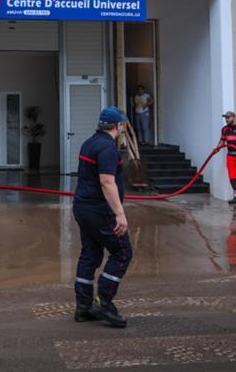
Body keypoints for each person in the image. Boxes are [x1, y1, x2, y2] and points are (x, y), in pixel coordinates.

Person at [72, 106, 133, 328]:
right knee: (122, 252)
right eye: (123, 125)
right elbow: (107, 182)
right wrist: (120, 214)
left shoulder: (89, 143)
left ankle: (83, 307)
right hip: (99, 209)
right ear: (119, 125)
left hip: (82, 207)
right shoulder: (108, 148)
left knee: (90, 254)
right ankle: (104, 302)